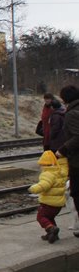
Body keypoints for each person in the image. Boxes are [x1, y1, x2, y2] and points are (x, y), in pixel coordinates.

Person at [54, 84, 79, 236]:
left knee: (77, 192)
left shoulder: (72, 113)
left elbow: (78, 136)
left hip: (77, 161)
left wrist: (62, 150)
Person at [28, 150, 68, 242]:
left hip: (48, 203)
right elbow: (65, 167)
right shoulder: (61, 172)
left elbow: (44, 185)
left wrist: (32, 189)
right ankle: (53, 235)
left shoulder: (47, 174)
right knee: (50, 217)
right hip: (58, 204)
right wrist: (62, 159)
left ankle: (51, 229)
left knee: (41, 217)